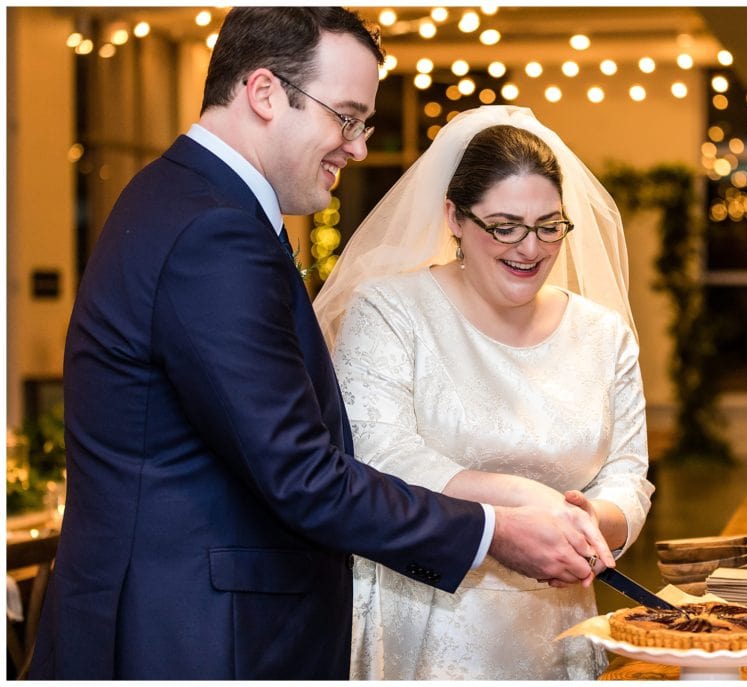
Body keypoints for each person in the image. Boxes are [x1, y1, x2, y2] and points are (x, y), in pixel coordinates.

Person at [29, 10, 613, 680]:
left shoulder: (185, 198)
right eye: (346, 116)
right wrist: (494, 530)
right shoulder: (213, 231)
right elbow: (301, 473)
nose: (358, 147)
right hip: (192, 638)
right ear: (265, 93)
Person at [313, 105, 655, 679]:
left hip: (559, 622)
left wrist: (588, 518)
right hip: (424, 621)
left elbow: (629, 475)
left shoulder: (603, 335)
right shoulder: (391, 310)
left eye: (549, 226)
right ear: (454, 217)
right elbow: (378, 454)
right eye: (505, 226)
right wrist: (522, 501)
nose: (530, 249)